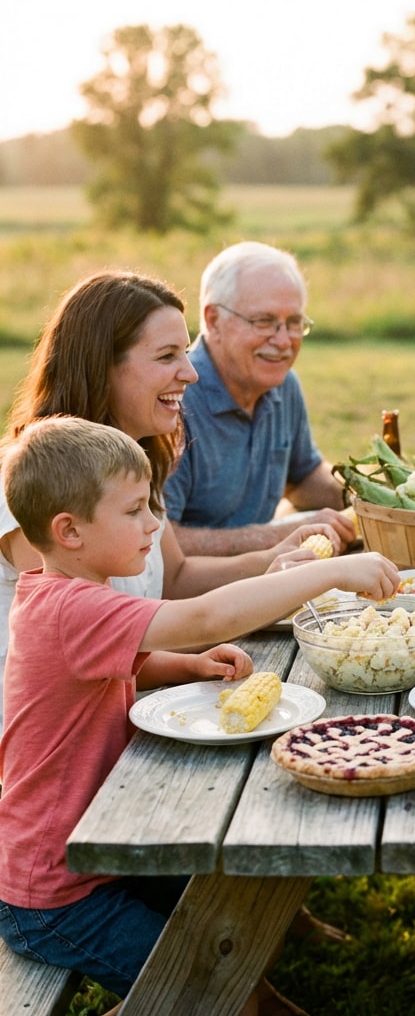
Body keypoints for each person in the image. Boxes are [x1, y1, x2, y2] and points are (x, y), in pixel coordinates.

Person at [0, 416, 399, 1016]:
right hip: (53, 893)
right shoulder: (73, 607)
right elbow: (204, 614)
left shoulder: (61, 594)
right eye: (134, 511)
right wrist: (327, 572)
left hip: (97, 854)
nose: (153, 525)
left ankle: (242, 994)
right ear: (69, 531)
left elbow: (124, 665)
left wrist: (186, 665)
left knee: (235, 914)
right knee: (226, 1005)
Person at [0, 271, 343, 728]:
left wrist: (271, 560)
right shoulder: (34, 483)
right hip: (60, 746)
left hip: (126, 721)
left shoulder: (128, 462)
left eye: (185, 352)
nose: (192, 373)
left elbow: (175, 577)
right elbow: (141, 627)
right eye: (167, 356)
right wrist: (311, 577)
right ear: (102, 365)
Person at [163, 241, 355, 555]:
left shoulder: (283, 385)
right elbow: (158, 545)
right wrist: (283, 535)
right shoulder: (173, 399)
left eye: (294, 323)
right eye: (263, 321)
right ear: (213, 320)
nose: (283, 341)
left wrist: (364, 496)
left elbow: (303, 476)